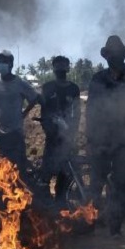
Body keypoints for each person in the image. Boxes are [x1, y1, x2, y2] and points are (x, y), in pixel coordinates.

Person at [86, 35, 125, 236]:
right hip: (101, 140)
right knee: (96, 185)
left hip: (123, 141)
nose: (114, 57)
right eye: (111, 55)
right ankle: (89, 224)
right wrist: (90, 139)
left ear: (123, 55)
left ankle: (115, 227)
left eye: (117, 54)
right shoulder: (98, 79)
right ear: (106, 57)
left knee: (120, 184)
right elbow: (91, 110)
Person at [0, 49, 41, 173]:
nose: (0, 64)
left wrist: (24, 113)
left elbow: (35, 98)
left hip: (14, 135)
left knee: (17, 171)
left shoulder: (19, 83)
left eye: (3, 61)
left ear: (11, 64)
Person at [39, 56, 81, 202]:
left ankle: (61, 203)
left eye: (63, 66)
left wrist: (71, 132)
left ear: (68, 68)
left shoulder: (74, 89)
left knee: (65, 172)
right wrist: (49, 130)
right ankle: (44, 203)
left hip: (67, 137)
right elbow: (44, 112)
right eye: (57, 66)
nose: (60, 69)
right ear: (54, 69)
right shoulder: (47, 87)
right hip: (52, 138)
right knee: (46, 171)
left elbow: (77, 113)